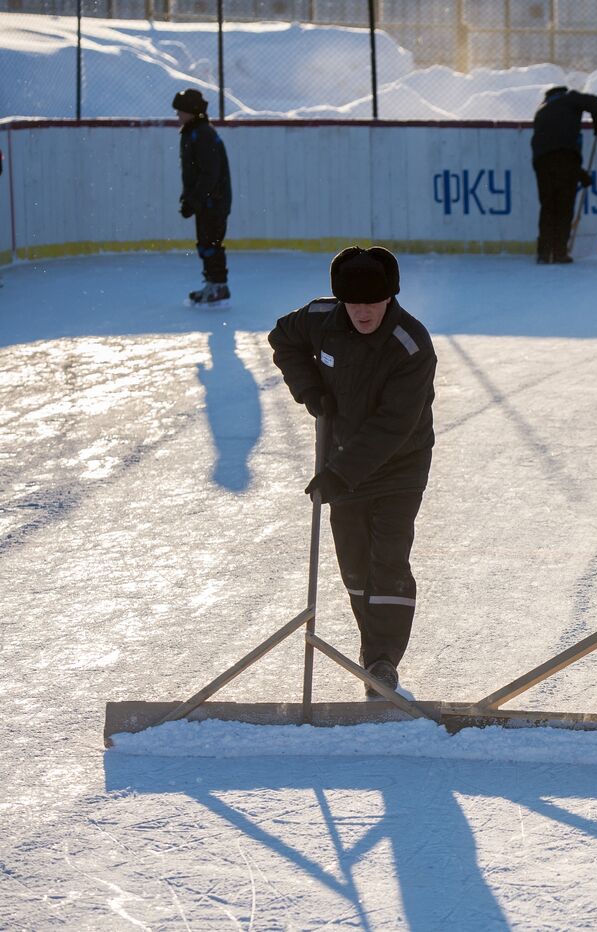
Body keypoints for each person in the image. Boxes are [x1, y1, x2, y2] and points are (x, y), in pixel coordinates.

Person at [268, 246, 437, 697]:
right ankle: (373, 652)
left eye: (372, 302)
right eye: (354, 302)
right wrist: (310, 391)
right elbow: (282, 339)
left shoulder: (411, 344)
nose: (362, 311)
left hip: (399, 464)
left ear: (390, 298)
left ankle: (382, 660)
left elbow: (394, 425)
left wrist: (340, 474)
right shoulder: (321, 318)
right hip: (340, 455)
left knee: (389, 560)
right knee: (356, 565)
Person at [530, 85, 597, 265]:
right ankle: (559, 253)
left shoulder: (541, 111)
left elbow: (551, 146)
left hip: (541, 161)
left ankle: (543, 254)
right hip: (565, 157)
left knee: (548, 206)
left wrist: (579, 174)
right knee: (564, 206)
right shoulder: (569, 98)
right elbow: (595, 102)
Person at [172, 88, 232, 306]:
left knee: (212, 243)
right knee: (205, 242)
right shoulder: (193, 132)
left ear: (192, 111)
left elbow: (210, 173)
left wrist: (195, 199)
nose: (177, 114)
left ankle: (219, 287)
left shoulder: (203, 134)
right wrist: (188, 198)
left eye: (181, 110)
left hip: (213, 201)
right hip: (205, 200)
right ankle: (212, 284)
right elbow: (193, 173)